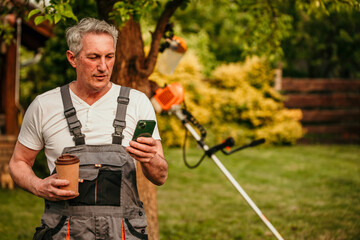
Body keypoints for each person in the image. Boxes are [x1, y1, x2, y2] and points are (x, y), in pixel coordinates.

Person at [9, 18, 168, 240]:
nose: (103, 66)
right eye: (93, 57)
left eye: (109, 56)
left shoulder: (137, 103)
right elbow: (18, 162)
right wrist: (38, 185)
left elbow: (160, 176)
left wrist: (151, 159)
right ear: (72, 58)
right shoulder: (44, 106)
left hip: (123, 233)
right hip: (63, 232)